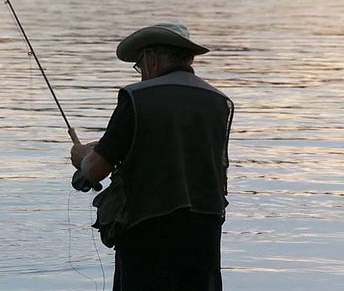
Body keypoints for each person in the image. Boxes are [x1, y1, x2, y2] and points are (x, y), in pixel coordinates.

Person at [70, 22, 234, 291]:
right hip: (205, 235)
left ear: (151, 58)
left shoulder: (137, 97)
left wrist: (82, 156)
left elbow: (95, 169)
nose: (140, 73)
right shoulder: (218, 101)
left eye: (139, 64)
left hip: (147, 236)